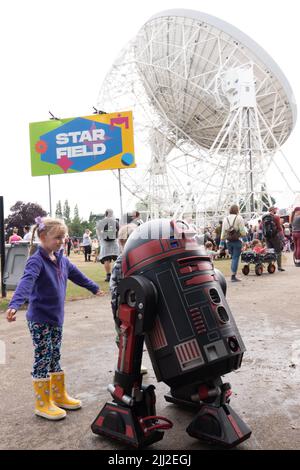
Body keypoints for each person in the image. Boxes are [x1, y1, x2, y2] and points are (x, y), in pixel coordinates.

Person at [6, 217, 104, 421]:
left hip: (56, 318)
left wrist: (94, 287)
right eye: (57, 237)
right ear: (43, 237)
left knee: (55, 354)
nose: (62, 241)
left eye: (64, 237)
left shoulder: (62, 259)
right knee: (44, 355)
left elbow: (77, 276)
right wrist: (15, 305)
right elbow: (26, 282)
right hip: (39, 319)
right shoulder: (36, 260)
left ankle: (58, 396)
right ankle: (42, 404)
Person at [110, 223, 147, 374]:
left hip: (134, 301)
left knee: (137, 332)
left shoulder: (139, 259)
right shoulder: (121, 262)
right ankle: (125, 362)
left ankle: (132, 362)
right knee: (123, 333)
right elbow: (117, 288)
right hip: (123, 304)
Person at [220, 204, 247, 282]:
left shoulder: (225, 219)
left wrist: (221, 243)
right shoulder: (239, 218)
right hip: (237, 240)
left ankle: (233, 274)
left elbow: (223, 232)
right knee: (235, 258)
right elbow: (242, 230)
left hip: (228, 241)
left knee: (233, 258)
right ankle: (233, 276)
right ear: (237, 210)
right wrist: (246, 241)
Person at [96, 209, 119, 282]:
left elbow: (98, 232)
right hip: (114, 243)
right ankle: (117, 275)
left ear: (105, 214)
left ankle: (108, 276)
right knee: (117, 259)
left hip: (105, 243)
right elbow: (119, 231)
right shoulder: (115, 222)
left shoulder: (101, 222)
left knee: (106, 259)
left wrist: (100, 239)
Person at [262, 207, 285, 271]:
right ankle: (279, 267)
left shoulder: (263, 217)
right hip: (275, 236)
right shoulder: (276, 217)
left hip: (267, 236)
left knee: (269, 251)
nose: (276, 211)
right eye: (275, 210)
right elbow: (279, 227)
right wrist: (282, 236)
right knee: (278, 251)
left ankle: (270, 266)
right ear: (272, 210)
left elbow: (262, 227)